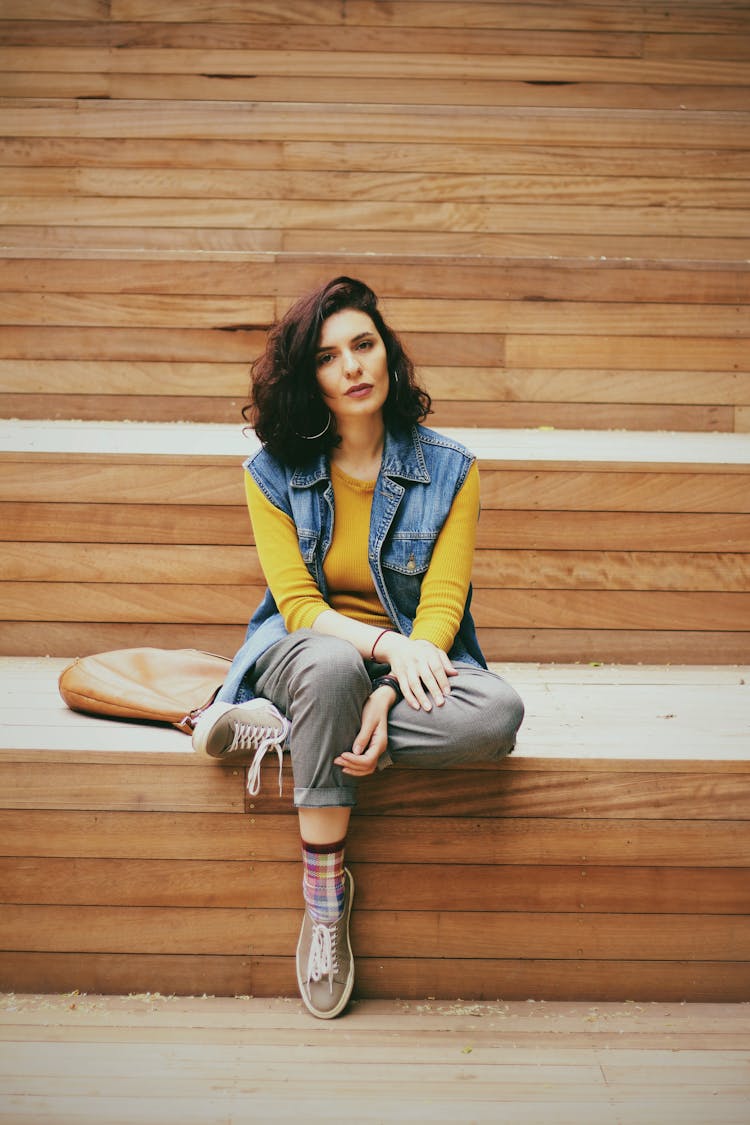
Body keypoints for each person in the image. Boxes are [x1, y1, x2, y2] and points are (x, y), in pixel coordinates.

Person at [193, 276, 524, 1019]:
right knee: (333, 664)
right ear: (307, 376)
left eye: (364, 345)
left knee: (496, 713)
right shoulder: (269, 471)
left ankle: (294, 727)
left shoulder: (452, 468)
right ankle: (325, 904)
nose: (352, 366)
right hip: (304, 648)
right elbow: (300, 606)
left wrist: (387, 685)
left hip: (407, 662)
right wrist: (378, 648)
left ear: (388, 351)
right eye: (328, 355)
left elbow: (441, 605)